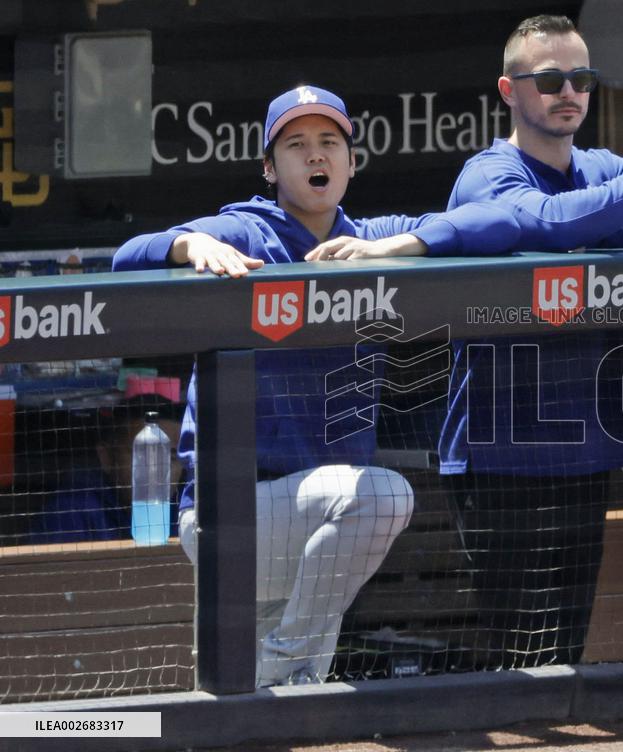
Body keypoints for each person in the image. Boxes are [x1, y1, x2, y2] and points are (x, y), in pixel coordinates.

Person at [112, 84, 523, 686]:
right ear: (269, 166)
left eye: (329, 142)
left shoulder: (375, 237)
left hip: (317, 527)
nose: (315, 156)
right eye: (296, 144)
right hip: (233, 518)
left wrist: (398, 246)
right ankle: (281, 660)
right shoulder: (249, 232)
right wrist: (191, 242)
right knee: (384, 497)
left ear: (352, 162)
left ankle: (274, 669)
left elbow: (499, 221)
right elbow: (128, 256)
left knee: (261, 710)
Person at [423, 14, 623, 670]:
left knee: (566, 654)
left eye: (581, 77)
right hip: (500, 457)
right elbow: (545, 221)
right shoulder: (486, 174)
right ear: (509, 89)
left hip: (589, 445)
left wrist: (608, 213)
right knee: (515, 658)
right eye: (549, 79)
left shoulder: (603, 168)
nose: (569, 91)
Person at [29, 380, 184, 544]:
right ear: (106, 457)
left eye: (171, 457)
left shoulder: (186, 512)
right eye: (143, 454)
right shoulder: (73, 512)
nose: (156, 470)